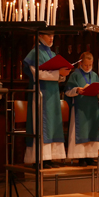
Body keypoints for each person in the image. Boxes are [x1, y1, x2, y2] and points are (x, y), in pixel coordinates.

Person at [23, 34, 70, 168]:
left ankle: (50, 157)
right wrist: (58, 73)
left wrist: (62, 75)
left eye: (53, 35)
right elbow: (38, 74)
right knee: (41, 124)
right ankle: (39, 158)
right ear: (40, 36)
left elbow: (56, 74)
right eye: (48, 35)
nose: (51, 38)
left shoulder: (52, 53)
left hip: (53, 94)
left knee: (53, 124)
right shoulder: (35, 53)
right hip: (40, 94)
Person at [64, 52, 99, 166]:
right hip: (80, 108)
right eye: (86, 65)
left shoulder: (94, 75)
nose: (88, 67)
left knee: (92, 130)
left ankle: (90, 156)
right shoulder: (75, 75)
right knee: (81, 130)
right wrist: (77, 90)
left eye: (90, 65)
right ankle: (80, 157)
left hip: (92, 108)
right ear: (81, 63)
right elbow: (67, 91)